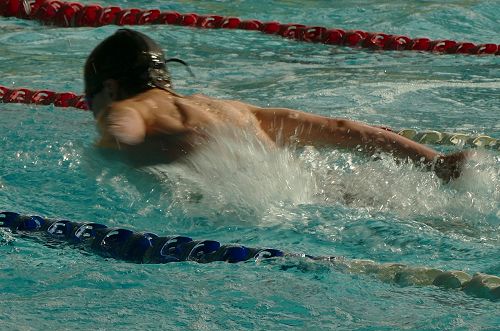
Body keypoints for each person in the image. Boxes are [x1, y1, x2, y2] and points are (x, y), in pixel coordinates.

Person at [84, 28, 470, 182]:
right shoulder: (233, 109)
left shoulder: (127, 109)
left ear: (112, 88)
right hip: (315, 190)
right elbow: (343, 130)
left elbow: (124, 131)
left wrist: (121, 147)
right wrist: (434, 161)